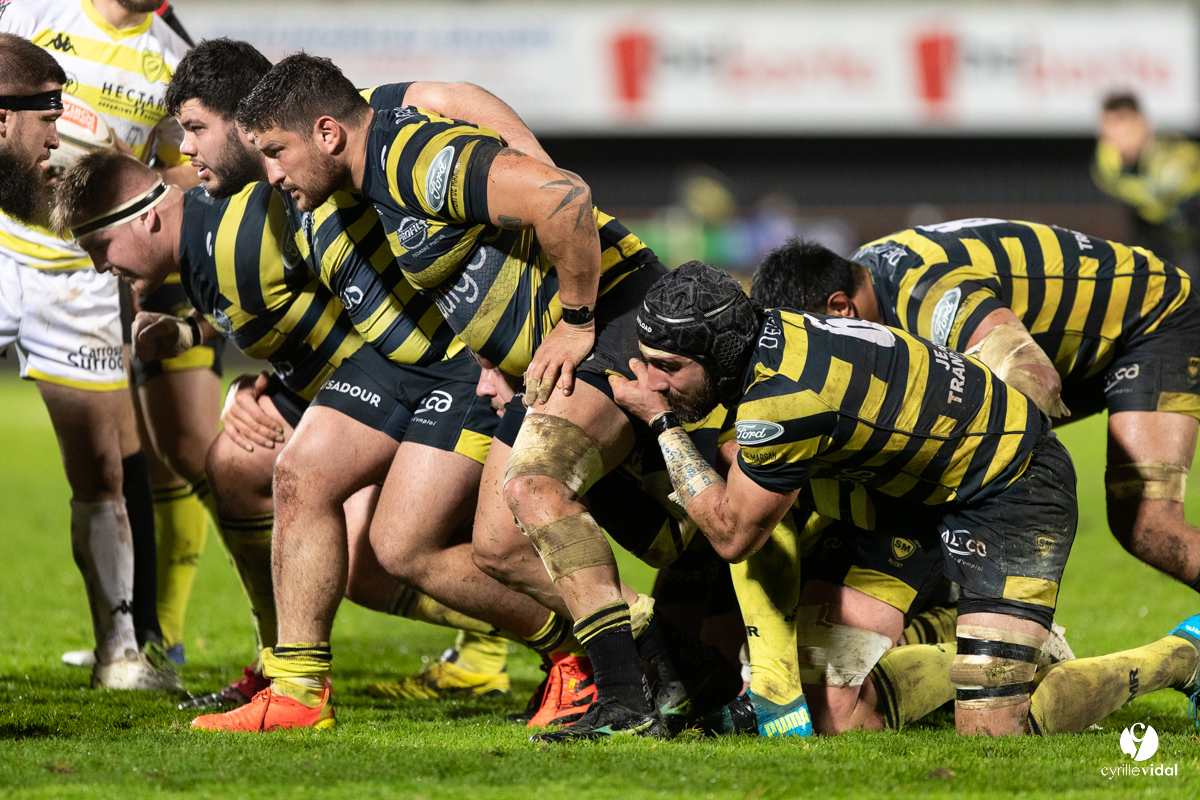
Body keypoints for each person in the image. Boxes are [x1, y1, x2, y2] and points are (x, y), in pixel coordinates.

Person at [236, 54, 741, 741]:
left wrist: (576, 320)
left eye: (275, 152)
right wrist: (494, 357)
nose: (272, 173)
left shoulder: (411, 156)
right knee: (499, 547)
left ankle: (630, 697)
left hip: (614, 325)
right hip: (546, 362)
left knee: (537, 491)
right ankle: (672, 664)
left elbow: (563, 198)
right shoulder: (367, 187)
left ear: (327, 133)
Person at [611, 261, 1200, 737]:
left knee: (994, 729)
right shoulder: (770, 335)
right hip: (909, 500)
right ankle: (998, 650)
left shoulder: (784, 398)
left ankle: (1181, 655)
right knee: (834, 714)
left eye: (668, 368)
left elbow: (733, 534)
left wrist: (662, 423)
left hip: (1013, 489)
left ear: (720, 353)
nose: (653, 381)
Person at [752, 226, 1200, 602]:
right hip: (1079, 341)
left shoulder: (927, 296)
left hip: (1153, 319)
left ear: (839, 308)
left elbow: (1032, 378)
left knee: (1149, 527)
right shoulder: (874, 289)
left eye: (813, 341)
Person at [0, 24, 178, 690]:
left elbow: (179, 164)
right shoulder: (37, 9)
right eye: (46, 120)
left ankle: (121, 652)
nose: (55, 133)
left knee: (102, 468)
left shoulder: (168, 56)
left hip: (79, 280)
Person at [1092, 91, 1200, 283]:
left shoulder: (1179, 161)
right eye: (1106, 127)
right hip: (1160, 236)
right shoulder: (1108, 164)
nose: (1111, 137)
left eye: (1121, 127)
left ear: (1143, 125)